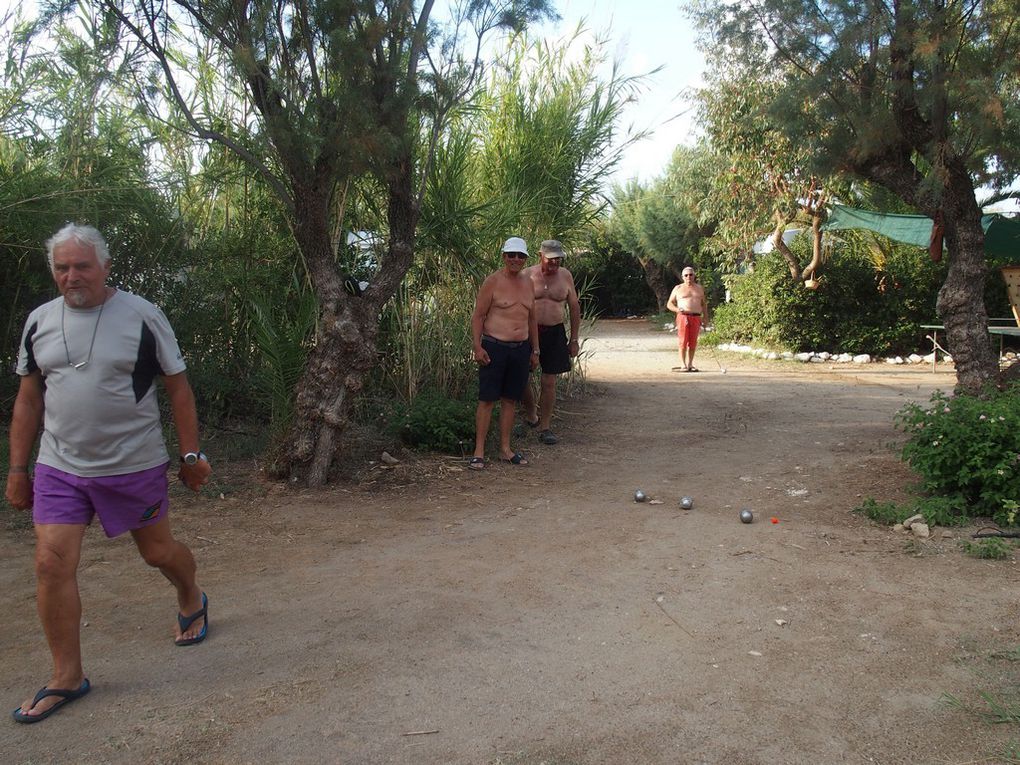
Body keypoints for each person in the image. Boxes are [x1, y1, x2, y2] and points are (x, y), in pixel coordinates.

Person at [6, 224, 212, 724]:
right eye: (61, 267)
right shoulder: (39, 322)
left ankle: (190, 593)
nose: (71, 276)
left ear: (105, 267)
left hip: (132, 464)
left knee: (157, 552)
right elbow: (29, 398)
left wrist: (190, 458)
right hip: (60, 467)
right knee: (51, 564)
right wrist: (17, 469)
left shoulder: (142, 316)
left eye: (81, 265)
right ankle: (67, 676)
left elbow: (178, 390)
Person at [469, 237, 539, 469]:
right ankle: (478, 451)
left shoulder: (529, 283)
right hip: (494, 347)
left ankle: (505, 449)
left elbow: (532, 318)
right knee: (487, 399)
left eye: (520, 256)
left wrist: (535, 350)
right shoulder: (492, 282)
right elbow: (478, 316)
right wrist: (477, 347)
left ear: (526, 258)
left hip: (520, 349)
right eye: (511, 255)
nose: (516, 259)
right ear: (504, 256)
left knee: (510, 399)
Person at [520, 240, 581, 445]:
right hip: (529, 331)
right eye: (551, 258)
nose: (555, 262)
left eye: (558, 259)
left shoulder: (565, 276)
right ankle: (531, 415)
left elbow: (574, 308)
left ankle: (545, 427)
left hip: (555, 332)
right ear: (541, 256)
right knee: (521, 378)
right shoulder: (528, 274)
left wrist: (574, 339)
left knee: (549, 381)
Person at [666, 265, 708, 372]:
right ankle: (683, 364)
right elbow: (669, 304)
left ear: (694, 276)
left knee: (693, 341)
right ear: (682, 277)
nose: (688, 277)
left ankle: (690, 364)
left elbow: (704, 304)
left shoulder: (699, 288)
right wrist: (677, 309)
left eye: (691, 274)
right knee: (683, 341)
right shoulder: (678, 288)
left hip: (696, 317)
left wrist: (705, 318)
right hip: (683, 316)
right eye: (686, 275)